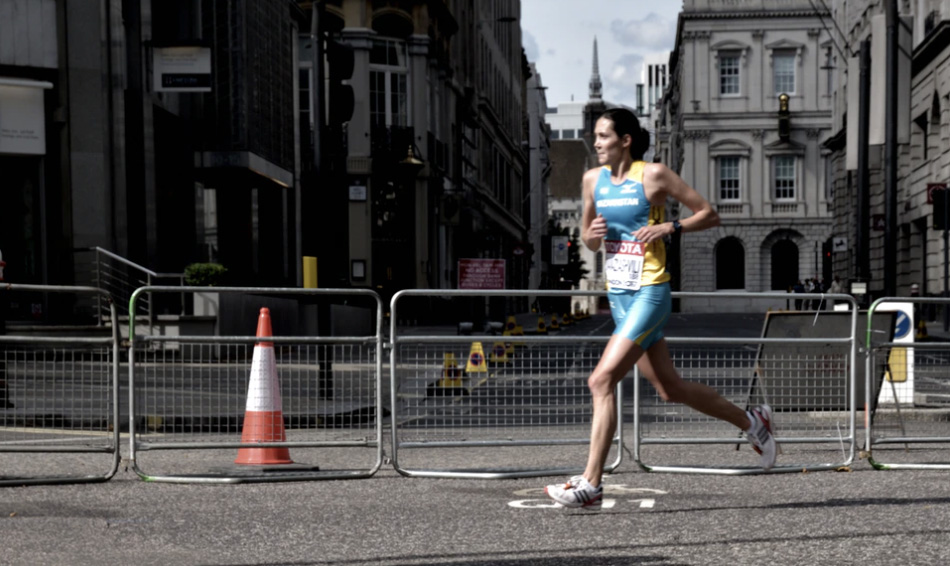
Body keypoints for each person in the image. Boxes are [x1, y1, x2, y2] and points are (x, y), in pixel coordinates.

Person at [544, 108, 777, 510]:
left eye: (603, 136)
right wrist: (592, 234)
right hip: (619, 294)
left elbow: (709, 213)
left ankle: (591, 484)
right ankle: (752, 422)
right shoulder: (591, 180)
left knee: (600, 381)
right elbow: (590, 240)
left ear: (626, 140)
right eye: (595, 136)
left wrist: (670, 227)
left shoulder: (653, 175)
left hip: (651, 291)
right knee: (669, 389)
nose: (596, 142)